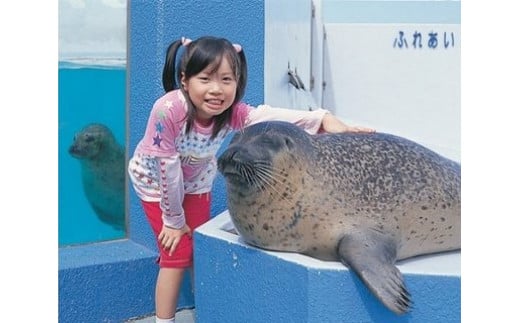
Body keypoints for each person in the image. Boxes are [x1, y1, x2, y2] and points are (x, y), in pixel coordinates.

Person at [128, 35, 375, 323]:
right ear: (184, 80)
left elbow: (267, 115)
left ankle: (206, 311)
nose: (216, 89)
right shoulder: (167, 111)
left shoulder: (230, 113)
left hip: (196, 182)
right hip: (156, 184)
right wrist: (173, 221)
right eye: (205, 79)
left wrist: (323, 119)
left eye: (226, 79)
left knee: (198, 247)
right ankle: (165, 321)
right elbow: (167, 168)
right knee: (177, 253)